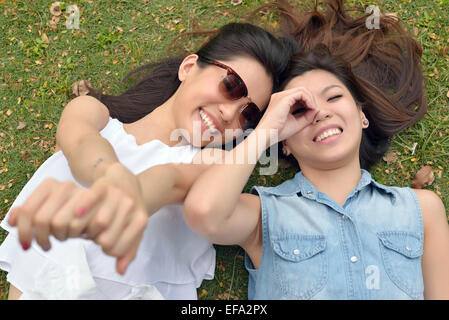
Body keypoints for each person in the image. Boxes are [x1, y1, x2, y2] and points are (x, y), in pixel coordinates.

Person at [0, 22, 294, 300]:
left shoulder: (215, 164)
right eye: (231, 86)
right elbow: (82, 144)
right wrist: (111, 177)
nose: (231, 114)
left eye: (249, 114)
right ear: (189, 67)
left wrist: (129, 196)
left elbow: (171, 180)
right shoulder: (92, 113)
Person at [180, 2, 449, 298]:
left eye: (333, 96)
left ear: (362, 115)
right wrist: (266, 131)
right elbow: (204, 213)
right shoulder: (263, 215)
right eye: (299, 110)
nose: (320, 114)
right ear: (284, 143)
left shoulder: (421, 209)